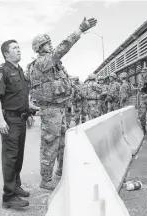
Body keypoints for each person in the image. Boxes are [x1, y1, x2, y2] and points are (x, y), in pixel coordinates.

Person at [28, 17, 97, 190]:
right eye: (46, 43)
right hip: (51, 110)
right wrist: (79, 30)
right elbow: (62, 48)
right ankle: (46, 179)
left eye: (49, 42)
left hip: (60, 108)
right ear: (39, 48)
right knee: (50, 144)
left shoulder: (53, 63)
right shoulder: (42, 62)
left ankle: (60, 170)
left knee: (62, 143)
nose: (50, 45)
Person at [0, 40, 33, 209]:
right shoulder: (1, 71)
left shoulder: (20, 71)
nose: (19, 50)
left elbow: (21, 96)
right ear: (6, 54)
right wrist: (0, 119)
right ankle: (8, 196)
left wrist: (28, 112)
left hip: (21, 119)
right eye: (14, 48)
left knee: (19, 157)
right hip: (9, 120)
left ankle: (15, 186)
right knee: (10, 158)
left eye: (19, 47)